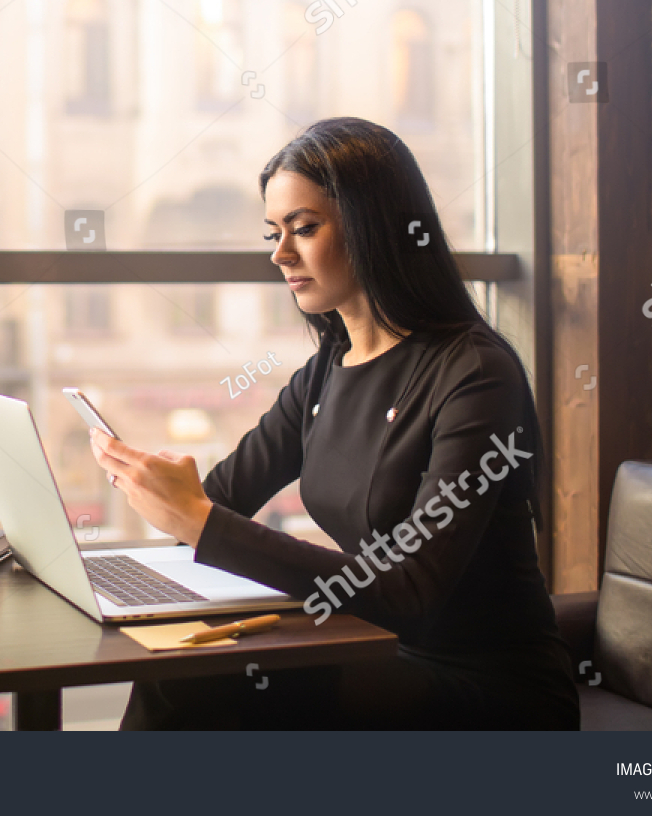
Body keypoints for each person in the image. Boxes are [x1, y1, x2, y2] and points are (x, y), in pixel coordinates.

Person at [90, 118, 579, 729]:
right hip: (377, 649)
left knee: (190, 689)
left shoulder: (476, 376)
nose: (280, 253)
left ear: (374, 225)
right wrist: (163, 489)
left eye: (304, 228)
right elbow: (221, 499)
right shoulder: (328, 368)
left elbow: (411, 592)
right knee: (181, 671)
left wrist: (200, 519)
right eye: (274, 232)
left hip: (488, 689)